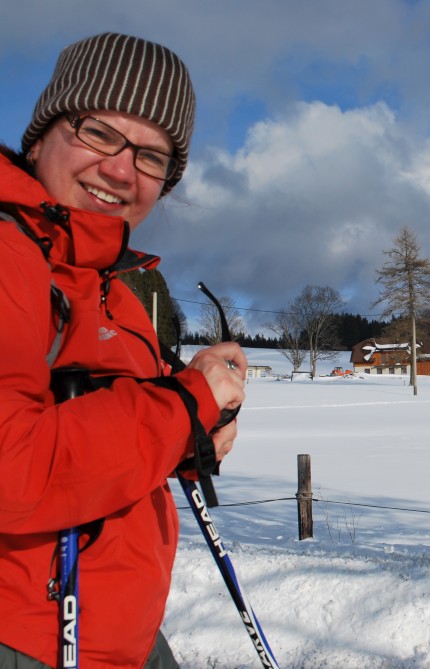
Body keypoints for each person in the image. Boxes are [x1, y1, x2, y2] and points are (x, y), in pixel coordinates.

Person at [0, 33, 247, 668]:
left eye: (151, 157)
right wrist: (184, 407)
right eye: (99, 133)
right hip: (27, 635)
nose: (119, 170)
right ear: (40, 136)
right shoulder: (9, 256)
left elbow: (111, 440)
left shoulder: (111, 292)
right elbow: (12, 469)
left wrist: (192, 435)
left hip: (119, 635)